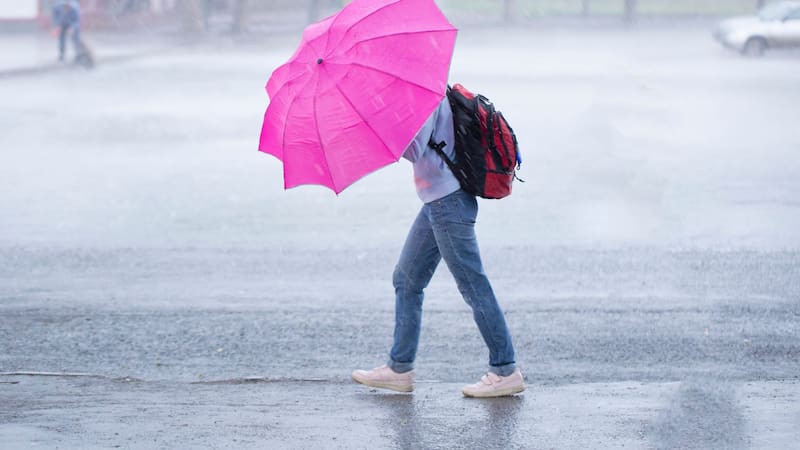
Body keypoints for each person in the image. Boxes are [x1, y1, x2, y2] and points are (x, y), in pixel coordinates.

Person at [351, 98, 525, 398]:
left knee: (474, 286)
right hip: (437, 203)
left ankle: (505, 370)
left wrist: (379, 126)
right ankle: (399, 368)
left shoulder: (426, 97)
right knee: (406, 280)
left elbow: (416, 148)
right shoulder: (421, 92)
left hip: (449, 203)